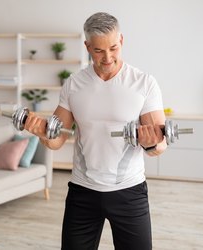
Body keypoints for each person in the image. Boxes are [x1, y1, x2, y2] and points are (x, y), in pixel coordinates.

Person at [24, 12, 167, 250]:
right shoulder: (74, 84)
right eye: (99, 51)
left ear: (121, 40)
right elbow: (57, 139)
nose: (108, 57)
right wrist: (39, 131)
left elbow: (160, 146)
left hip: (129, 191)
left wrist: (151, 142)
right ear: (87, 46)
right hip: (83, 191)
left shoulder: (143, 83)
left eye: (113, 48)